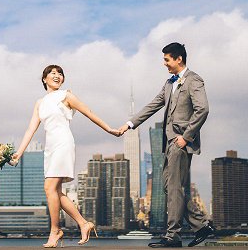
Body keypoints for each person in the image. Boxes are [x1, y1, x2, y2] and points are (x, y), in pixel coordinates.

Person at [117, 43, 215, 248]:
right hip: (169, 142)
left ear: (179, 59)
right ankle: (202, 225)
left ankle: (173, 236)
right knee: (169, 187)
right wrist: (129, 124)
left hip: (180, 141)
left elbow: (202, 109)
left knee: (173, 187)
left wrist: (186, 137)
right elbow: (154, 104)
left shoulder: (194, 80)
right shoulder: (169, 83)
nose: (164, 64)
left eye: (167, 60)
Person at [12, 64, 121, 248]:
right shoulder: (40, 102)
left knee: (49, 188)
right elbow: (31, 129)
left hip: (63, 143)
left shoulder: (67, 96)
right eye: (52, 73)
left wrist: (109, 129)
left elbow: (90, 113)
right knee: (55, 191)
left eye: (60, 73)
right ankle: (83, 223)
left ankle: (55, 231)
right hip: (50, 148)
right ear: (44, 79)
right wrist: (18, 153)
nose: (57, 75)